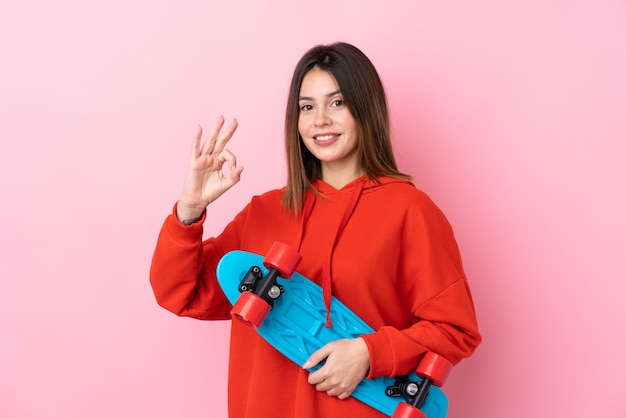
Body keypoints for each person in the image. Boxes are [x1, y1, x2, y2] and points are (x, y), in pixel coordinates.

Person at [150, 42, 481, 418]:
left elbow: (455, 329)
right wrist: (189, 211)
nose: (320, 119)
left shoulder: (411, 211)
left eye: (337, 103)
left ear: (365, 110)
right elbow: (182, 293)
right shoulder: (264, 211)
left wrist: (368, 353)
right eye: (307, 107)